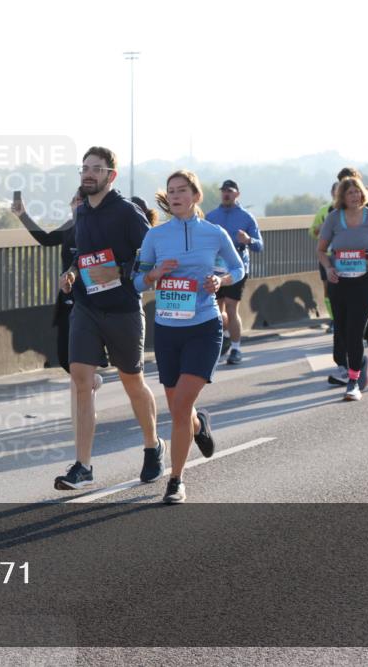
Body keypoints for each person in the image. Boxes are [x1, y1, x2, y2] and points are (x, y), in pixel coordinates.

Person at [133, 170, 244, 504]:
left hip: (204, 326)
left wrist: (220, 281)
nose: (176, 196)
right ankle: (199, 424)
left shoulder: (214, 233)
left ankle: (176, 480)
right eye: (171, 191)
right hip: (168, 330)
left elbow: (238, 268)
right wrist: (154, 274)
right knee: (180, 410)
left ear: (195, 195)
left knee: (180, 406)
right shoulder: (155, 236)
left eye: (182, 190)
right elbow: (136, 281)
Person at [53, 146, 161, 491]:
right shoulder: (83, 212)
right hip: (86, 307)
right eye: (84, 168)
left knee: (132, 382)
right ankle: (83, 466)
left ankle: (153, 446)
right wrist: (71, 272)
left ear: (111, 175)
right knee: (81, 380)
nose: (88, 174)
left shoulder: (127, 212)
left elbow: (151, 255)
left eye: (96, 169)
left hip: (123, 309)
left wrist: (121, 270)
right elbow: (82, 255)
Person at [12, 190, 109, 430]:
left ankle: (85, 410)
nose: (74, 205)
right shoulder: (69, 227)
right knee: (64, 356)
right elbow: (46, 239)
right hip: (67, 296)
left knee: (82, 358)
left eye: (79, 201)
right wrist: (22, 215)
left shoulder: (99, 229)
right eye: (73, 201)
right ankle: (91, 382)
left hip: (90, 299)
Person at [316, 176, 368, 401]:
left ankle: (353, 382)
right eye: (350, 192)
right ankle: (360, 363)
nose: (354, 195)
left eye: (357, 191)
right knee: (341, 331)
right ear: (342, 196)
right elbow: (321, 250)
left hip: (365, 280)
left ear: (363, 194)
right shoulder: (333, 218)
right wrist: (328, 268)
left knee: (355, 331)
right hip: (339, 281)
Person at [205, 179, 263, 365]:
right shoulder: (211, 216)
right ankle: (226, 336)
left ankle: (236, 349)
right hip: (215, 269)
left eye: (230, 191)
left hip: (236, 269)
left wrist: (248, 240)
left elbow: (259, 246)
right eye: (223, 191)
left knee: (231, 307)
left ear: (237, 194)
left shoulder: (246, 217)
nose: (226, 194)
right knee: (216, 310)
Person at [311, 182, 339, 334]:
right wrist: (319, 229)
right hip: (326, 256)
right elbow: (312, 232)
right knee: (328, 289)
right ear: (332, 193)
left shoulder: (350, 210)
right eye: (337, 190)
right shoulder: (324, 210)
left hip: (344, 256)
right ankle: (334, 319)